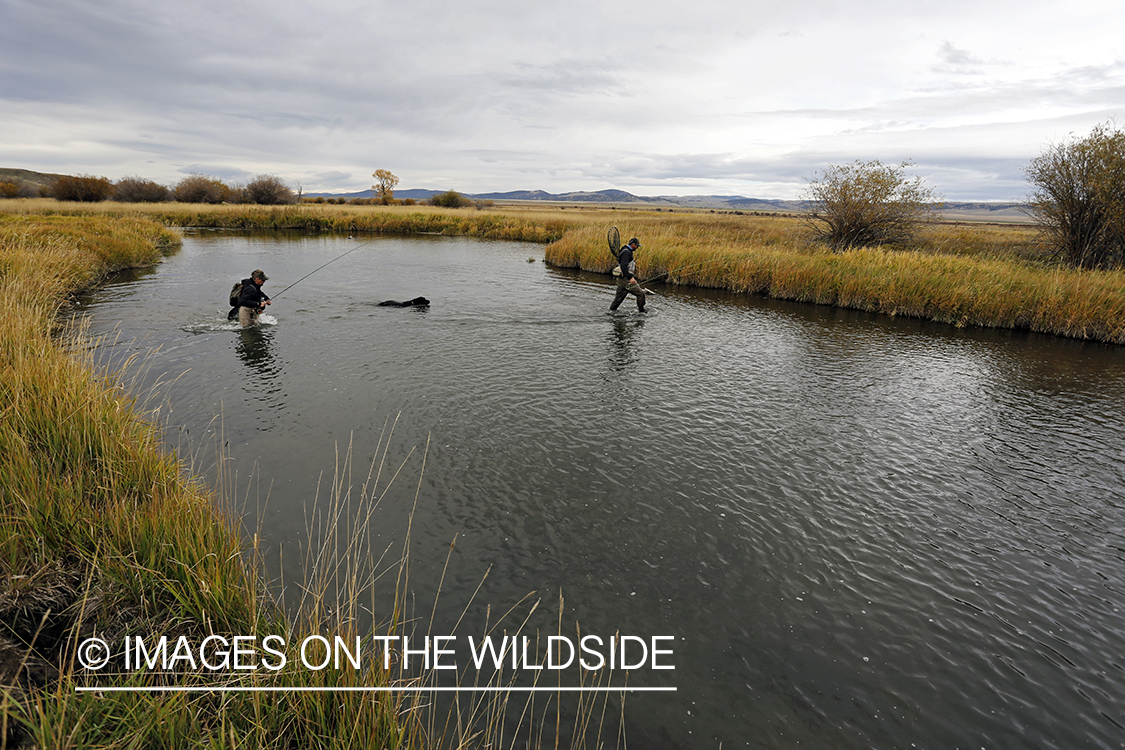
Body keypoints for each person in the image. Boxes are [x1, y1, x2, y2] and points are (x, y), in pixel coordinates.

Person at [609, 237, 646, 312]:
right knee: (640, 294)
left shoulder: (625, 250)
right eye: (636, 246)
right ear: (633, 245)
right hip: (626, 280)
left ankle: (611, 312)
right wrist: (630, 278)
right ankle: (641, 312)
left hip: (621, 280)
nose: (637, 248)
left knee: (618, 299)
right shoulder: (626, 252)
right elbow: (623, 267)